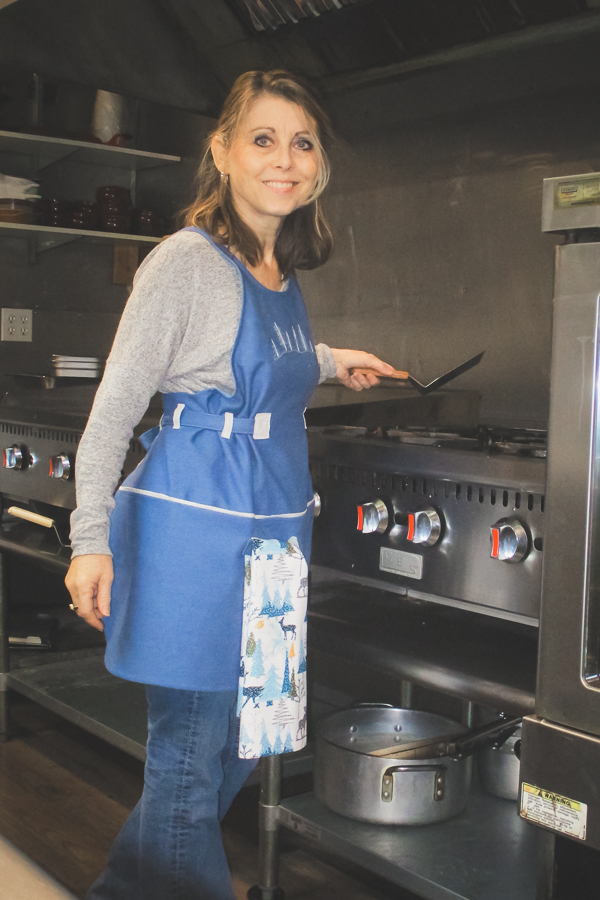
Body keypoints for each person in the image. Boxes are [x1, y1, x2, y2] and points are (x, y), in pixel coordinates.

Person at [65, 69, 395, 900]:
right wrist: (89, 540)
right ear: (222, 151)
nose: (284, 159)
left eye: (302, 141)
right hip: (195, 537)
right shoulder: (185, 260)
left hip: (274, 541)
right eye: (262, 138)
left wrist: (328, 359)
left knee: (248, 744)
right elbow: (114, 408)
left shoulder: (281, 270)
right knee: (187, 754)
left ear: (318, 165)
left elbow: (258, 363)